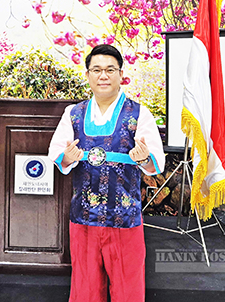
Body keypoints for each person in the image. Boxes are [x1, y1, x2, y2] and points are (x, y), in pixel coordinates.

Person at [48, 44, 165, 302]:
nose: (103, 76)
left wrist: (143, 157)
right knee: (85, 291)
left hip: (124, 218)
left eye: (110, 70)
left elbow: (156, 163)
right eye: (97, 70)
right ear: (88, 75)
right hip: (83, 218)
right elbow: (56, 154)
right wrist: (68, 157)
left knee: (128, 290)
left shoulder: (139, 113)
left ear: (121, 74)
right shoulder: (73, 113)